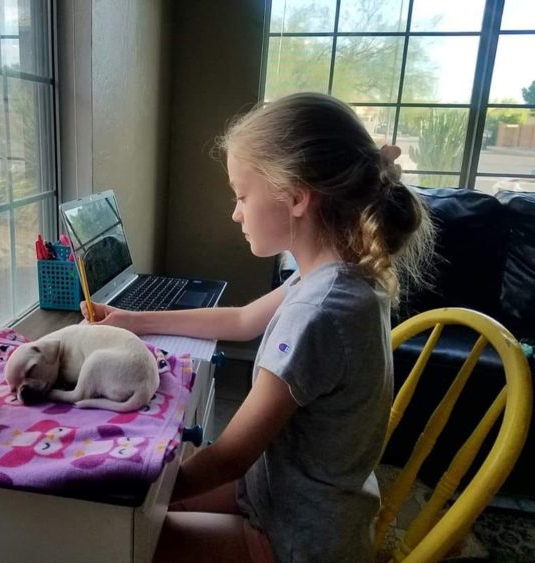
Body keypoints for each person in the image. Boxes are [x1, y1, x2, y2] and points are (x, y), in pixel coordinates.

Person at [79, 93, 434, 562]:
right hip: (283, 496)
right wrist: (133, 321)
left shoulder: (323, 311)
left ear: (296, 196)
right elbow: (242, 320)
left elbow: (229, 457)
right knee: (146, 513)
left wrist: (141, 494)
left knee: (120, 542)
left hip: (298, 538)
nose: (235, 212)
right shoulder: (333, 277)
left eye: (242, 195)